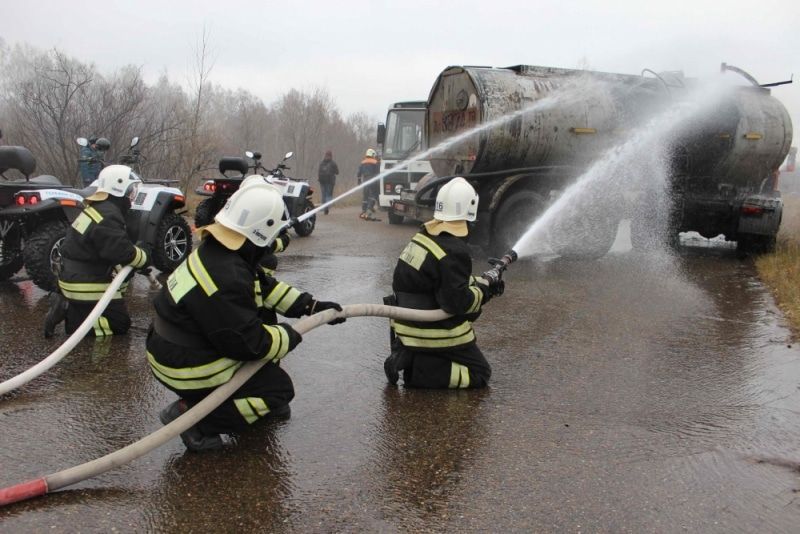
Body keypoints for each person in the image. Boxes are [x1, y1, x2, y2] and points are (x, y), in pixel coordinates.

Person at [148, 181, 346, 452]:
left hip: (171, 349)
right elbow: (250, 343)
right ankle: (194, 418)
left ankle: (232, 404)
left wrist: (311, 306)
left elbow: (264, 287)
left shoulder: (222, 251)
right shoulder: (227, 274)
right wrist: (290, 335)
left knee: (267, 379)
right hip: (185, 365)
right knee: (278, 389)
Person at [383, 177, 503, 389]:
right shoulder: (454, 251)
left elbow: (440, 281)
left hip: (406, 326)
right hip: (430, 331)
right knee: (479, 373)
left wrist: (480, 282)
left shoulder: (424, 236)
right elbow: (457, 303)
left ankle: (412, 354)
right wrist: (485, 293)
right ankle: (421, 371)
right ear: (469, 211)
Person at [44, 164, 150, 338]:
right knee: (119, 324)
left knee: (120, 281)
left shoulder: (97, 208)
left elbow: (105, 250)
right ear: (118, 187)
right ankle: (73, 314)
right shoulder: (108, 215)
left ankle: (71, 306)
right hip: (85, 284)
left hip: (70, 278)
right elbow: (123, 253)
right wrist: (145, 255)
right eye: (130, 190)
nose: (132, 196)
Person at [357, 148, 380, 221]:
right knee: (373, 195)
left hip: (365, 181)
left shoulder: (363, 162)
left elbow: (359, 173)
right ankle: (369, 208)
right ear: (372, 154)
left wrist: (359, 181)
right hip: (373, 181)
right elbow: (378, 172)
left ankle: (364, 210)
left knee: (365, 196)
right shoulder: (375, 162)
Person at [317, 150, 339, 215]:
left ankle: (324, 207)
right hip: (330, 181)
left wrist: (319, 178)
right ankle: (326, 208)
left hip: (322, 181)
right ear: (331, 156)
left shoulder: (322, 163)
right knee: (328, 195)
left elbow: (319, 172)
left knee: (324, 195)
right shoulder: (333, 163)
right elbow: (337, 172)